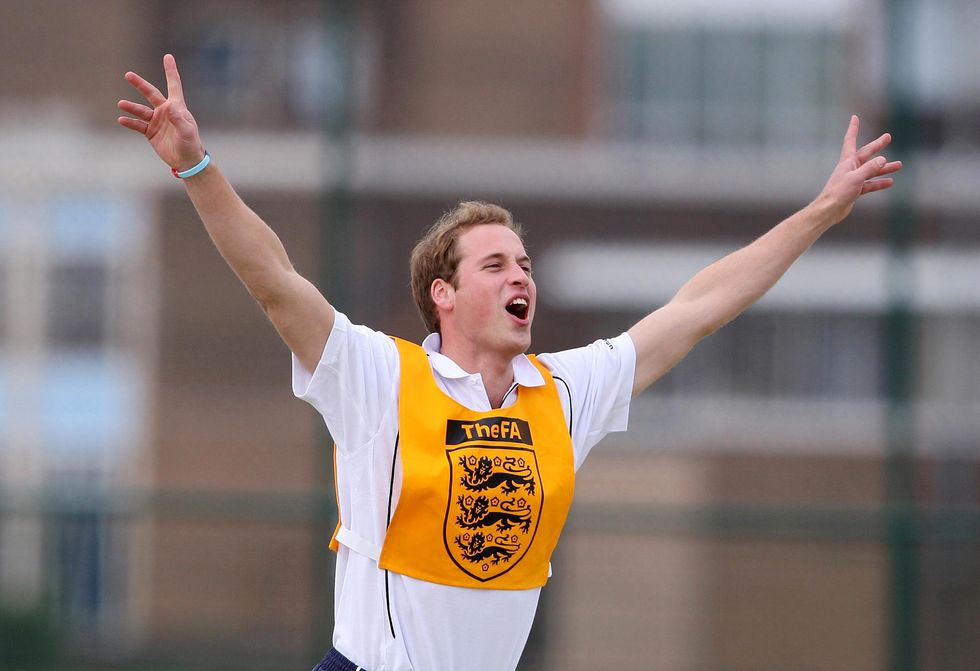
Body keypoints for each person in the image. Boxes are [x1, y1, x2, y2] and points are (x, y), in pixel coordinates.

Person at [118, 54, 901, 671]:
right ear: (444, 294)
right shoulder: (381, 378)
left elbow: (698, 308)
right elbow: (274, 281)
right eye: (494, 264)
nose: (520, 274)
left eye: (524, 262)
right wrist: (197, 167)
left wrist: (821, 210)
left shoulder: (562, 392)